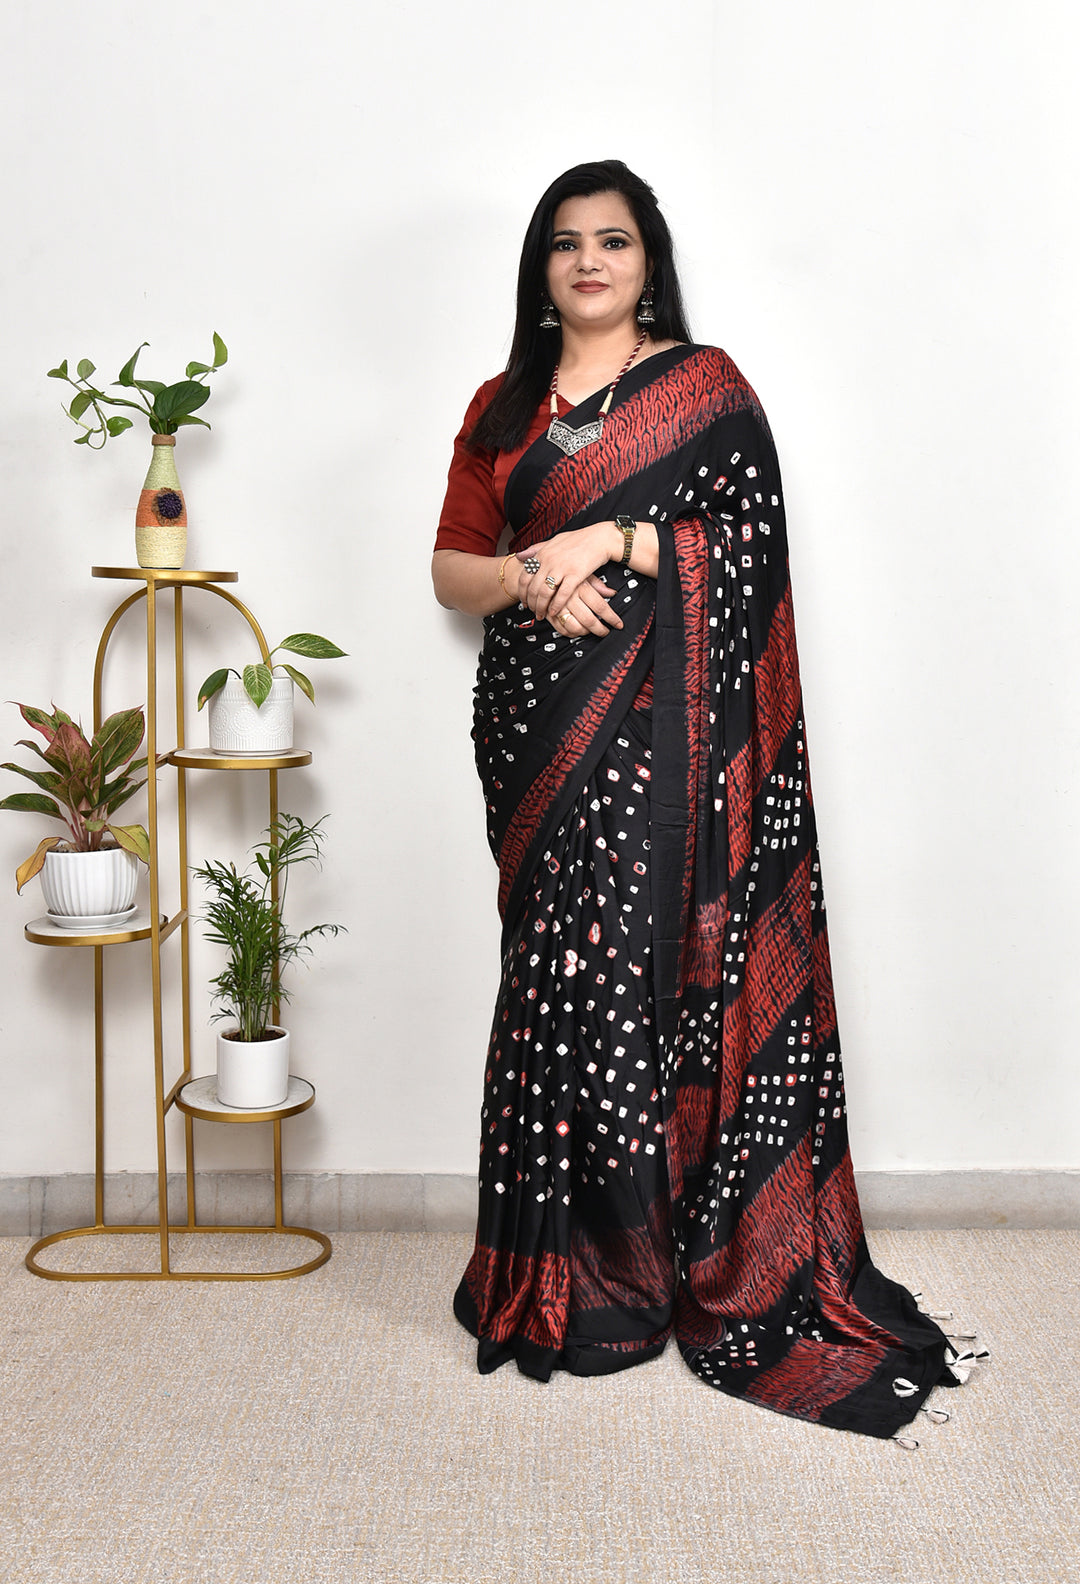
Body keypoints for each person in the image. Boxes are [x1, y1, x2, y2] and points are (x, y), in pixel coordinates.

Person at [431, 160, 984, 1443]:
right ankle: (554, 1272)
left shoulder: (706, 389)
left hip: (661, 745)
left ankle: (642, 1272)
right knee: (552, 981)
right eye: (565, 243)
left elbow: (750, 547)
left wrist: (615, 541)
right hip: (532, 732)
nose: (588, 262)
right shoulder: (502, 406)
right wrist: (534, 574)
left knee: (634, 974)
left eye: (612, 241)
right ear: (541, 268)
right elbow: (452, 572)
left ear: (648, 262)